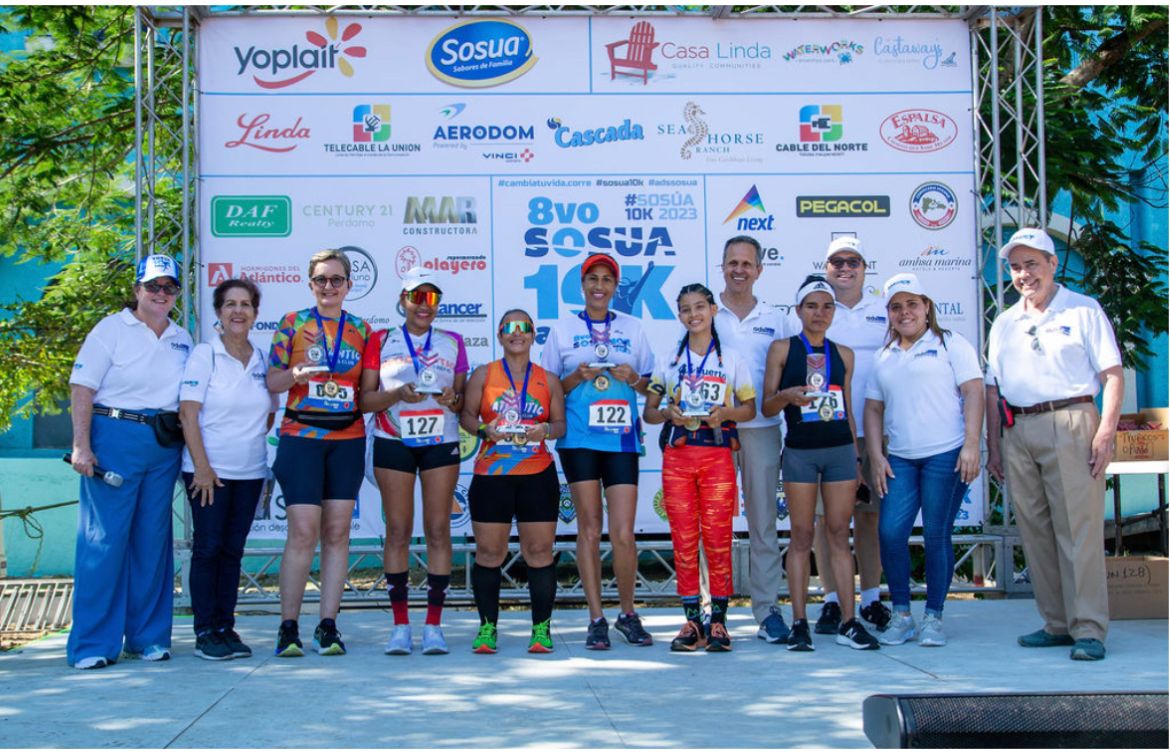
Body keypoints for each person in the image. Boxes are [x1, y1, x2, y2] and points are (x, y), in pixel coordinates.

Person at [985, 228, 1123, 662]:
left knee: (1077, 530)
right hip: (1019, 428)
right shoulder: (1005, 321)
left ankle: (1089, 629)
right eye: (1016, 266)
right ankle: (1057, 623)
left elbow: (1112, 375)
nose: (1024, 274)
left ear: (1052, 264)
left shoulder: (1083, 309)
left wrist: (1105, 432)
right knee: (1036, 531)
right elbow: (992, 389)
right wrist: (993, 445)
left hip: (1071, 420)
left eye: (1032, 264)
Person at [66, 254, 193, 669]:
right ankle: (92, 645)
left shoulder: (182, 337)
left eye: (169, 287)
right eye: (153, 286)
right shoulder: (110, 329)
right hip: (114, 436)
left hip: (162, 443)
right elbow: (82, 387)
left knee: (153, 544)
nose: (161, 294)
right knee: (103, 542)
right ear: (137, 289)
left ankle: (148, 638)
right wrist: (82, 445)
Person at [540, 252, 655, 649]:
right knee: (589, 529)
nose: (600, 286)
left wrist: (634, 377)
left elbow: (652, 387)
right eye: (593, 279)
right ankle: (596, 618)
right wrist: (577, 376)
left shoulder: (634, 328)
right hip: (579, 440)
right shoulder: (563, 329)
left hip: (622, 439)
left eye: (607, 279)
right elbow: (548, 389)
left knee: (623, 532)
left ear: (615, 286)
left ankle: (628, 613)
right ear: (582, 285)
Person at [863, 273, 984, 647]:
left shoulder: (951, 344)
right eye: (896, 307)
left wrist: (971, 445)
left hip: (945, 455)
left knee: (935, 534)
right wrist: (875, 455)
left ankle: (933, 617)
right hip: (900, 458)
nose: (905, 312)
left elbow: (975, 392)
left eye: (912, 304)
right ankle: (901, 615)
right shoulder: (884, 355)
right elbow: (872, 408)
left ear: (927, 306)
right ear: (889, 313)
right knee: (890, 533)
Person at [764, 275, 878, 651]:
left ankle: (849, 621)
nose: (819, 313)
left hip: (840, 453)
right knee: (800, 537)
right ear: (798, 310)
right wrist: (786, 396)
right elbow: (766, 406)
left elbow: (847, 408)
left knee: (838, 536)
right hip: (799, 452)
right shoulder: (782, 348)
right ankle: (799, 623)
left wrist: (857, 459)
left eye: (826, 306)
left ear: (834, 312)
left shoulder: (843, 353)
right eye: (811, 306)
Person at [267, 248, 371, 658]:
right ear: (310, 284)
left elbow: (369, 389)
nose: (329, 287)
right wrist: (295, 374)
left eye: (337, 280)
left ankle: (328, 626)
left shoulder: (362, 329)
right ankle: (287, 627)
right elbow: (272, 381)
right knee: (303, 532)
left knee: (337, 533)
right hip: (301, 437)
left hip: (347, 439)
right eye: (321, 280)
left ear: (349, 285)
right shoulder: (293, 323)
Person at [359, 267, 467, 656]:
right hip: (393, 439)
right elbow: (365, 401)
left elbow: (462, 399)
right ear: (403, 301)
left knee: (438, 528)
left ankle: (434, 626)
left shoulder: (453, 341)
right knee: (399, 531)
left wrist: (452, 400)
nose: (424, 305)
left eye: (432, 298)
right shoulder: (381, 339)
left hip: (440, 439)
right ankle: (400, 625)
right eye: (416, 297)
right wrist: (396, 396)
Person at [645, 284, 756, 652]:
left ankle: (720, 622)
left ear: (713, 310)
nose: (693, 315)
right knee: (684, 540)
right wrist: (666, 413)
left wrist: (724, 413)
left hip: (717, 456)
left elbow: (749, 410)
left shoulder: (733, 359)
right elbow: (649, 412)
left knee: (718, 539)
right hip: (678, 457)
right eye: (685, 309)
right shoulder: (668, 359)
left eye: (699, 307)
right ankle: (692, 619)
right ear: (679, 316)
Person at [789, 236, 891, 635]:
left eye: (854, 261)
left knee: (868, 519)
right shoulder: (815, 307)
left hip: (873, 429)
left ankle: (870, 598)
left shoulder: (885, 309)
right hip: (821, 430)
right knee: (820, 523)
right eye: (837, 262)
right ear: (826, 267)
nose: (845, 268)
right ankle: (832, 599)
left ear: (865, 267)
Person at [179, 278, 277, 661]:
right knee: (208, 549)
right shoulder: (205, 354)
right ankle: (206, 631)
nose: (238, 311)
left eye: (246, 304)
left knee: (233, 552)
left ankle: (226, 627)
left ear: (255, 312)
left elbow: (268, 415)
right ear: (218, 312)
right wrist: (202, 468)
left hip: (250, 472)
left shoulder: (262, 356)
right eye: (230, 304)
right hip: (208, 473)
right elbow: (188, 414)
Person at [460, 309, 566, 654]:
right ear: (500, 335)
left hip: (536, 474)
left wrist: (545, 429)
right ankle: (487, 628)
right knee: (490, 553)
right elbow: (466, 415)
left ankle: (541, 630)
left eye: (524, 328)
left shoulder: (548, 379)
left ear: (534, 335)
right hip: (492, 474)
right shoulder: (483, 374)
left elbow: (560, 425)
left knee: (538, 552)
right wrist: (482, 429)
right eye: (509, 327)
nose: (516, 333)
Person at [715, 235, 797, 644]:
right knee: (711, 525)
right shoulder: (705, 314)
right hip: (713, 433)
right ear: (723, 266)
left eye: (747, 263)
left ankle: (767, 611)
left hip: (763, 431)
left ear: (759, 270)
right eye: (732, 262)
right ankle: (712, 613)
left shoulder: (778, 319)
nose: (739, 269)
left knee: (764, 523)